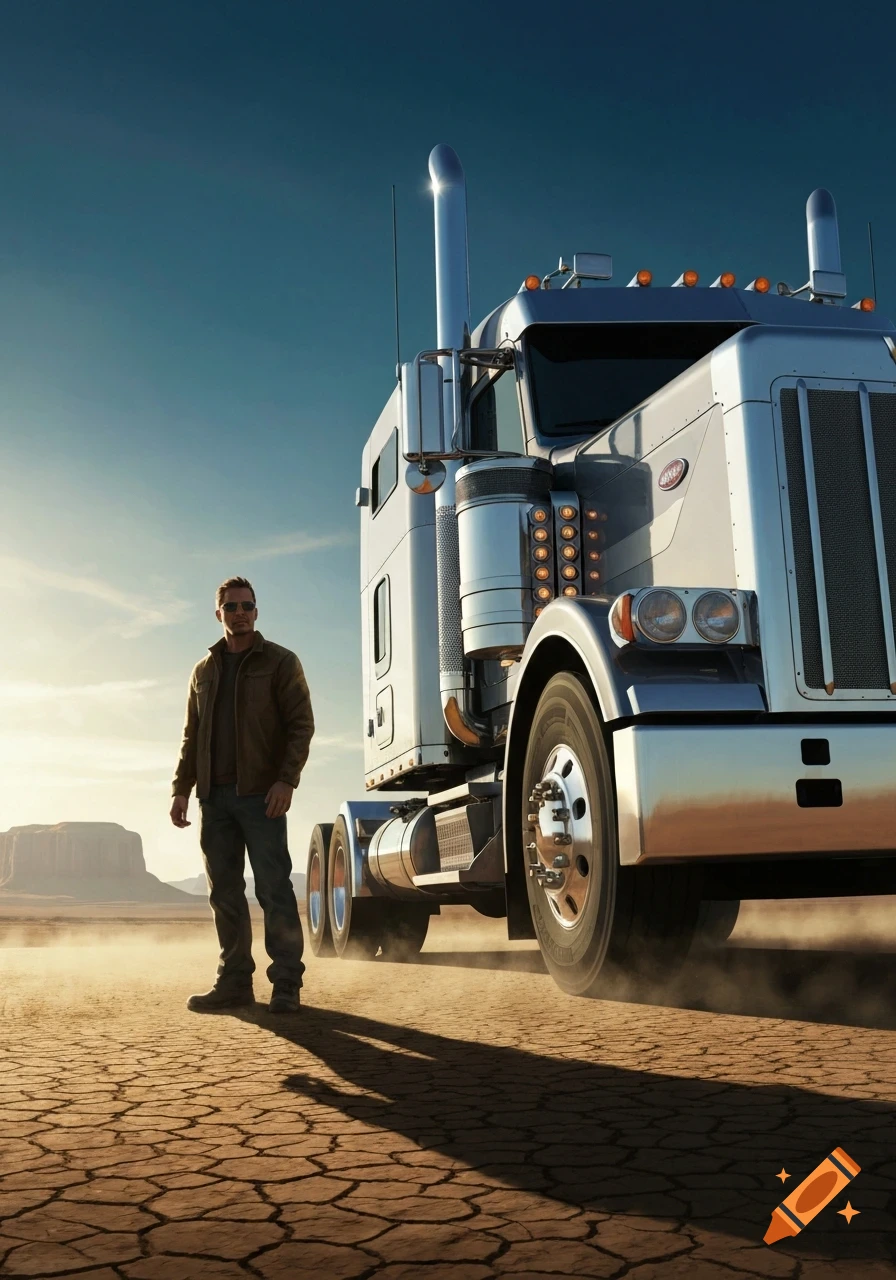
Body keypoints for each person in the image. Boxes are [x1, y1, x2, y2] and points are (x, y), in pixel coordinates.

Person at [170, 576, 314, 1014]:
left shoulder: (280, 662)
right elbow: (191, 735)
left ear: (257, 611)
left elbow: (300, 725)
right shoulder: (204, 671)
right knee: (225, 894)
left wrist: (286, 780)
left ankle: (286, 983)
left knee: (274, 890)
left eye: (247, 606)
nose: (240, 613)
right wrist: (182, 789)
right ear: (219, 614)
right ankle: (233, 983)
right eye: (231, 607)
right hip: (214, 799)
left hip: (261, 796)